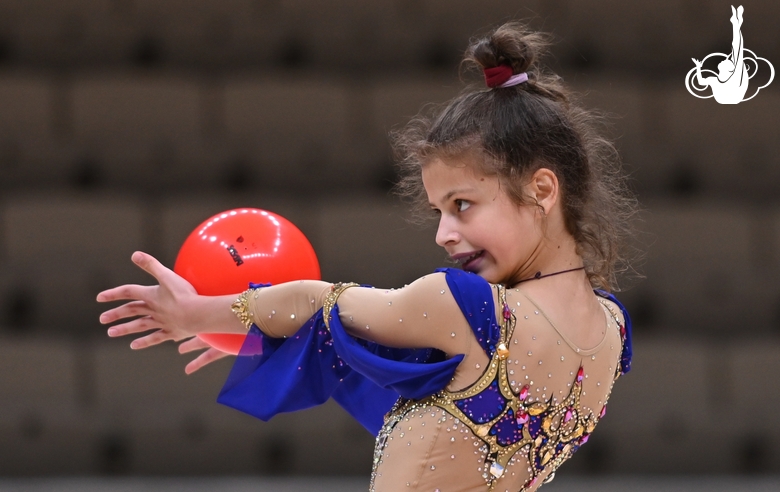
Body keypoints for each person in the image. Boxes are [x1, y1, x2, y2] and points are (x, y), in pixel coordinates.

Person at [97, 21, 636, 492]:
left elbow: (317, 302)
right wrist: (269, 332)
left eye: (463, 204)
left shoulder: (468, 308)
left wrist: (195, 314)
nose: (444, 234)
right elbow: (432, 386)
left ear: (542, 190)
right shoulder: (613, 332)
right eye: (438, 212)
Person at [692, 5, 748, 104]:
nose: (725, 59)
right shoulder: (718, 79)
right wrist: (698, 67)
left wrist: (698, 67)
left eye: (727, 61)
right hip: (730, 97)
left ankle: (736, 24)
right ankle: (736, 24)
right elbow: (701, 82)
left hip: (732, 96)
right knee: (737, 52)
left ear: (729, 69)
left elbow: (738, 50)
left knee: (737, 51)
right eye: (728, 61)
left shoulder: (725, 78)